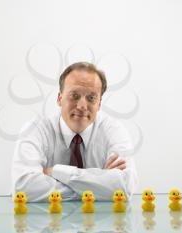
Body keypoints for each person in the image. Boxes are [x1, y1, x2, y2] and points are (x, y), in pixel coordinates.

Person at [11, 62, 137, 202]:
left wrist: (56, 171)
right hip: (47, 222)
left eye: (91, 98)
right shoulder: (35, 130)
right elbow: (23, 188)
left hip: (101, 223)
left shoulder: (113, 131)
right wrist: (100, 184)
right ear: (60, 98)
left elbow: (125, 187)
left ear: (99, 103)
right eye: (74, 95)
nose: (82, 106)